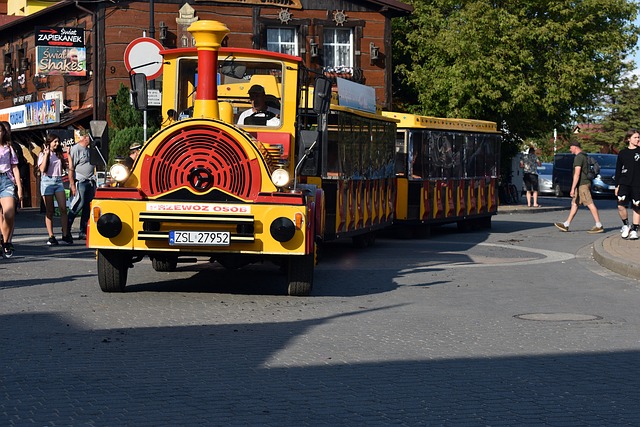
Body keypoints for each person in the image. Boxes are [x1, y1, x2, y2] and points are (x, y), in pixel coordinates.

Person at [554, 141, 604, 233]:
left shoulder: (578, 158)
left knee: (589, 203)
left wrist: (572, 188)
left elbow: (577, 174)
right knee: (575, 203)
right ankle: (566, 224)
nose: (570, 149)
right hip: (583, 184)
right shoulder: (584, 156)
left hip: (582, 184)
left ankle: (599, 225)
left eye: (570, 147)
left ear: (575, 147)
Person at [38, 133, 72, 246]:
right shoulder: (42, 154)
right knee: (50, 211)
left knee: (63, 208)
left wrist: (69, 155)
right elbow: (42, 169)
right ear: (49, 143)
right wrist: (46, 155)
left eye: (58, 142)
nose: (57, 144)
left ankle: (65, 234)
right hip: (47, 181)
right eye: (54, 142)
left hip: (58, 181)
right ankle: (51, 236)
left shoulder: (59, 154)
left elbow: (69, 167)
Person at [67, 130, 96, 240]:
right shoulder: (76, 149)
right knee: (78, 204)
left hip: (89, 181)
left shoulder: (88, 150)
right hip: (80, 181)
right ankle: (67, 228)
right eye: (90, 137)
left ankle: (82, 231)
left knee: (87, 206)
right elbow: (71, 167)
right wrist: (72, 184)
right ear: (85, 138)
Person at [0, 122, 23, 257]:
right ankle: (4, 241)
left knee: (9, 213)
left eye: (0, 131)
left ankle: (6, 241)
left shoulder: (8, 148)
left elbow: (15, 167)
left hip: (6, 181)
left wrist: (19, 188)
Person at [614, 129, 640, 240]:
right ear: (628, 139)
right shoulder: (623, 153)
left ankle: (635, 230)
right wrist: (617, 185)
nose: (637, 139)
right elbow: (618, 170)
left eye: (639, 137)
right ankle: (626, 225)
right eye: (635, 137)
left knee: (637, 206)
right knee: (620, 205)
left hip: (637, 183)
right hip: (624, 182)